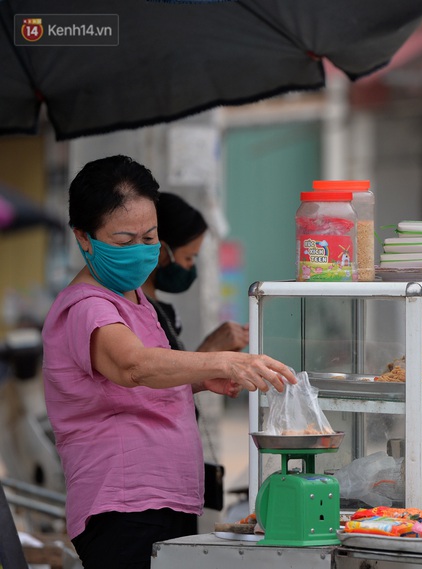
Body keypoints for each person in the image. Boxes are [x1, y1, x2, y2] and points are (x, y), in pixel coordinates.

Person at [41, 155, 297, 569]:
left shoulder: (135, 300)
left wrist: (196, 379)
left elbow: (129, 386)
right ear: (84, 238)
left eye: (150, 238)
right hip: (124, 506)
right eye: (124, 241)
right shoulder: (87, 307)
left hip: (162, 499)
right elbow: (133, 366)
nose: (141, 252)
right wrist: (222, 362)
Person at [142, 192, 248, 353]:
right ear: (162, 252)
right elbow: (154, 376)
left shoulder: (163, 312)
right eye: (189, 257)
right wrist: (209, 350)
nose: (191, 267)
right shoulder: (135, 310)